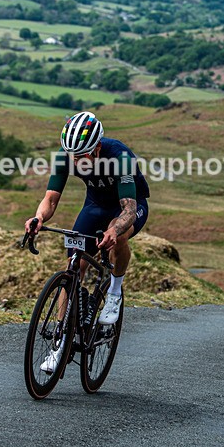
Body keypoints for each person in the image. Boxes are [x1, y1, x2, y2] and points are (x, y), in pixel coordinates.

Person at [25, 110, 149, 336]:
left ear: (97, 148)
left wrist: (113, 230)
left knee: (118, 234)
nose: (75, 160)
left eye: (81, 156)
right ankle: (61, 336)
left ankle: (114, 292)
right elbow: (51, 199)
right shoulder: (67, 156)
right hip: (95, 205)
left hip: (130, 205)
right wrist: (39, 217)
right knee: (74, 264)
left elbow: (129, 210)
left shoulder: (121, 157)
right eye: (71, 155)